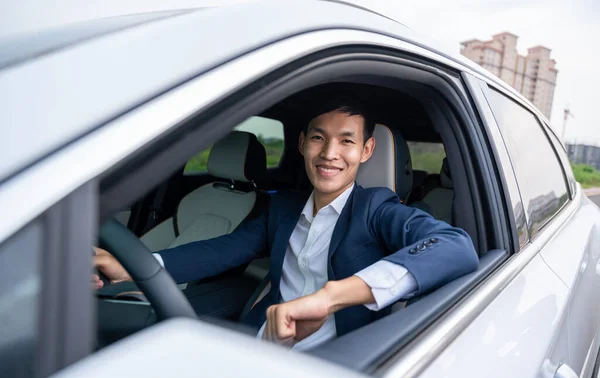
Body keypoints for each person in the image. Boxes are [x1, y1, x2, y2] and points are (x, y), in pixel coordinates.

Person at [94, 97, 478, 350]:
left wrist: (331, 296)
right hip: (262, 340)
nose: (329, 154)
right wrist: (129, 265)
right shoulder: (283, 208)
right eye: (318, 138)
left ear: (366, 150)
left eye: (346, 142)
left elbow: (454, 246)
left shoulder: (376, 208)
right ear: (301, 144)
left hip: (339, 359)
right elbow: (221, 251)